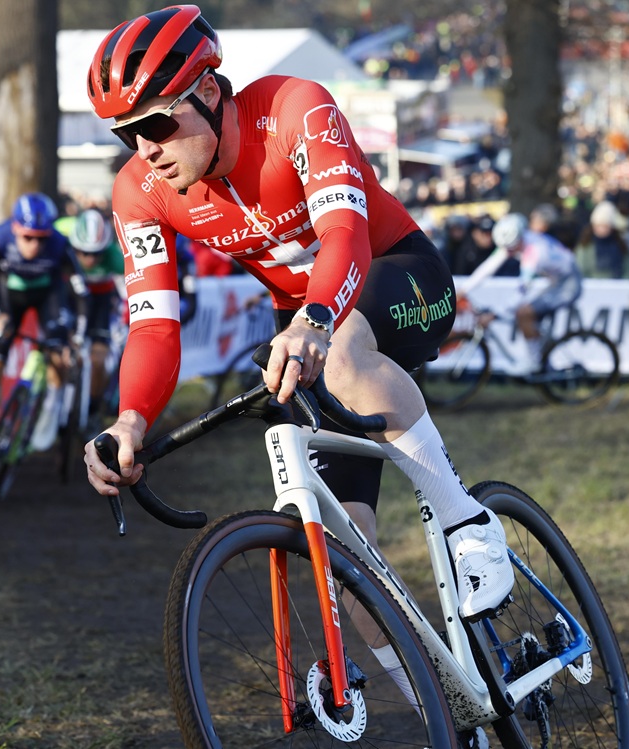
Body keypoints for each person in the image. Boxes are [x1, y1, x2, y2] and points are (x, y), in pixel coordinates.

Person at [82, 5, 514, 710]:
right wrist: (130, 419)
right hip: (306, 321)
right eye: (126, 133)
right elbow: (154, 325)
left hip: (395, 272)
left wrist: (317, 318)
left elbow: (344, 233)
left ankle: (467, 521)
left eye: (156, 124)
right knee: (344, 556)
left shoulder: (294, 108)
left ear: (209, 92)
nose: (144, 148)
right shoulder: (139, 190)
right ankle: (451, 713)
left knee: (339, 350)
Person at [0, 192, 89, 467]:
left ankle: (50, 409)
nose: (35, 245)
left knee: (58, 353)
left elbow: (80, 291)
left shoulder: (59, 243)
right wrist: (0, 315)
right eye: (28, 237)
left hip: (48, 296)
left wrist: (77, 335)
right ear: (15, 228)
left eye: (41, 238)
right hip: (9, 298)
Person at [458, 212, 582, 372]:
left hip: (568, 283)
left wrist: (494, 314)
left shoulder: (533, 252)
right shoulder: (517, 239)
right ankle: (541, 357)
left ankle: (534, 363)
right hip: (557, 280)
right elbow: (489, 267)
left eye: (511, 248)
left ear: (518, 240)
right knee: (527, 316)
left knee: (524, 313)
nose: (508, 252)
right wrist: (463, 290)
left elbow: (522, 290)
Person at [65, 208, 125, 430]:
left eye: (96, 253)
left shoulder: (114, 256)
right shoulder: (64, 247)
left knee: (98, 360)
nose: (90, 259)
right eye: (84, 252)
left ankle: (93, 410)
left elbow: (132, 285)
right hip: (71, 301)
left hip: (100, 304)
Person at [574, 200, 629, 278]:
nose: (602, 230)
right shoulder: (584, 247)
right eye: (598, 226)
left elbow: (628, 270)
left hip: (617, 284)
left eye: (605, 226)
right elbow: (580, 270)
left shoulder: (621, 246)